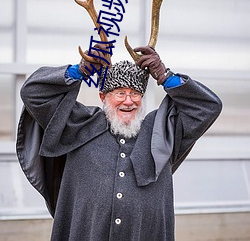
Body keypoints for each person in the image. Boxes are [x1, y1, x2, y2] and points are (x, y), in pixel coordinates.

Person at [16, 45, 222, 241]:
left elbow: (208, 107)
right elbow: (32, 93)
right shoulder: (79, 123)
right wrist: (78, 71)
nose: (128, 101)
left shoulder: (162, 130)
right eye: (120, 93)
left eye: (135, 94)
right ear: (103, 97)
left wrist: (165, 77)